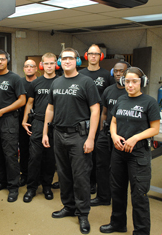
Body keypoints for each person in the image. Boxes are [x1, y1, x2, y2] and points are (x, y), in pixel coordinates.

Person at [42, 48, 100, 234]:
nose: (66, 61)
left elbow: (95, 110)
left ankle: (83, 214)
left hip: (79, 135)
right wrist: (45, 132)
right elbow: (50, 109)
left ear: (76, 60)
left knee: (81, 176)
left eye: (70, 58)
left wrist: (91, 138)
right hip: (58, 134)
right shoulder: (56, 82)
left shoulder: (86, 82)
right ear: (59, 62)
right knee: (64, 174)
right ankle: (68, 207)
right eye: (63, 58)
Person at [100, 67, 160, 235]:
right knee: (117, 190)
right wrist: (114, 135)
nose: (130, 85)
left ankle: (141, 231)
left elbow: (155, 128)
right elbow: (113, 122)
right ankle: (118, 223)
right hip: (119, 153)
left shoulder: (149, 102)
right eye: (127, 81)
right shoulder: (120, 100)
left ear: (143, 83)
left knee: (139, 195)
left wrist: (136, 138)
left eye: (134, 81)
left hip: (138, 154)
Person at [0, 49, 26, 202]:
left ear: (7, 60)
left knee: (10, 154)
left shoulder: (15, 78)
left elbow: (22, 100)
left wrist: (2, 111)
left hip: (9, 120)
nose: (0, 62)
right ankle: (2, 181)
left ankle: (13, 187)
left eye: (3, 59)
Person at [91, 61, 129, 207]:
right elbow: (104, 113)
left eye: (122, 71)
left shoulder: (130, 91)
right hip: (105, 134)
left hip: (122, 136)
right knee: (101, 166)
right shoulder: (108, 90)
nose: (119, 74)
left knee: (118, 168)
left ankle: (118, 198)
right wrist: (100, 131)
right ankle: (103, 197)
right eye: (116, 71)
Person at [22, 53, 58, 202]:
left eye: (52, 63)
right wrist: (24, 120)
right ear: (42, 65)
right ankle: (31, 188)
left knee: (50, 158)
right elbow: (29, 103)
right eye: (46, 63)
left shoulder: (61, 82)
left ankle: (47, 186)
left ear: (56, 64)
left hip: (55, 125)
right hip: (37, 122)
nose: (49, 66)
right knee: (34, 157)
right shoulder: (35, 83)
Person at [79, 44, 112, 194]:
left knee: (97, 154)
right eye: (91, 54)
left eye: (96, 54)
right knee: (82, 151)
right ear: (86, 56)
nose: (93, 56)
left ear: (100, 57)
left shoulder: (107, 75)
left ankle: (95, 182)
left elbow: (111, 97)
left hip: (99, 120)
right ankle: (85, 180)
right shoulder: (80, 74)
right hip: (81, 118)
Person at [18, 59, 38, 187]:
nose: (29, 68)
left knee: (37, 151)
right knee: (24, 149)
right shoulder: (19, 82)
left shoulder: (40, 83)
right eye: (27, 66)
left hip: (38, 120)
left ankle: (37, 176)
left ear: (36, 68)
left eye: (32, 66)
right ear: (24, 69)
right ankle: (24, 175)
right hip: (21, 120)